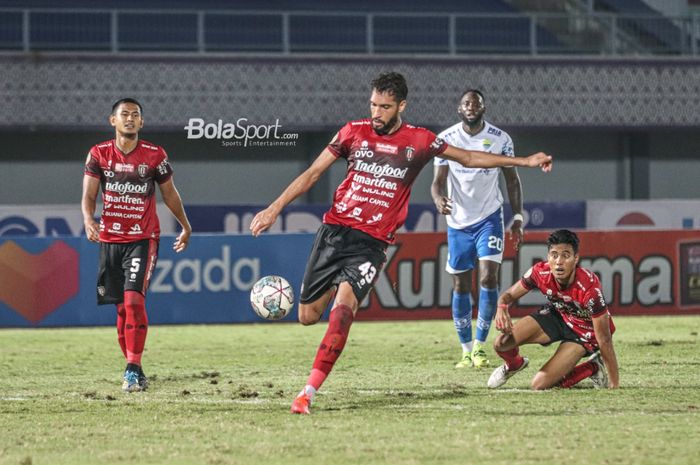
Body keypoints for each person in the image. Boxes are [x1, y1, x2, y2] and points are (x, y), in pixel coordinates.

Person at [250, 72, 553, 414]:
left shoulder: (420, 141)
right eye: (373, 105)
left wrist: (524, 161)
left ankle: (307, 393)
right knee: (307, 316)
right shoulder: (353, 132)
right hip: (334, 233)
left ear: (401, 106)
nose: (376, 112)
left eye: (385, 107)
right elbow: (313, 173)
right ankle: (331, 299)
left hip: (371, 244)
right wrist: (274, 208)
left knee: (343, 313)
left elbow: (469, 158)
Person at [81, 98, 192, 392]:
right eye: (124, 114)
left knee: (133, 301)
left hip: (142, 239)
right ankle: (135, 366)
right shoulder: (98, 154)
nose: (130, 119)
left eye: (135, 115)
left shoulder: (155, 155)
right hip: (109, 240)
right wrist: (88, 220)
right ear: (113, 121)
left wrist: (185, 224)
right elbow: (89, 196)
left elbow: (170, 195)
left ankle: (131, 368)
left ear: (141, 123)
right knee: (120, 310)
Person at [431, 89, 524, 370]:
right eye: (466, 103)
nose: (471, 107)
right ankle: (466, 350)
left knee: (487, 278)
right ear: (459, 109)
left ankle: (482, 348)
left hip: (489, 218)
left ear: (484, 108)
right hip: (458, 222)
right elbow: (437, 181)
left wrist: (517, 216)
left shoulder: (500, 139)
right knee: (460, 283)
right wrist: (437, 198)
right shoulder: (445, 139)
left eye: (476, 103)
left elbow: (512, 180)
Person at [487, 229, 619, 390]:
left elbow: (604, 339)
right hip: (558, 316)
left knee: (539, 385)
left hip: (584, 332)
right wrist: (501, 307)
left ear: (575, 258)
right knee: (501, 343)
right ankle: (514, 365)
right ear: (548, 257)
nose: (559, 261)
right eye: (554, 255)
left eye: (566, 255)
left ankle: (593, 367)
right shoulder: (540, 272)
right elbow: (508, 295)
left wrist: (614, 384)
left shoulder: (589, 289)